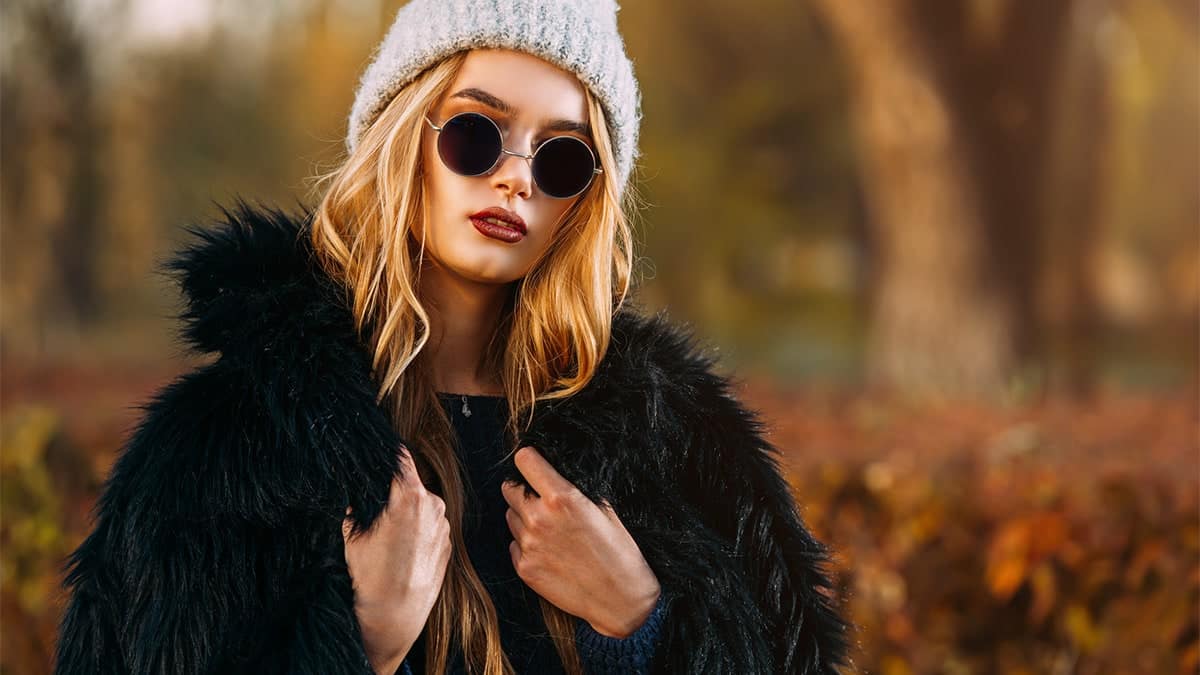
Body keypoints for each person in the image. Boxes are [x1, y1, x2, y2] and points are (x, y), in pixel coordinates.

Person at [52, 1, 853, 674]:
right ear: (407, 135)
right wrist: (357, 642)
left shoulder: (675, 440)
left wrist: (639, 623)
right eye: (477, 133)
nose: (516, 177)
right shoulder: (227, 445)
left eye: (563, 158)